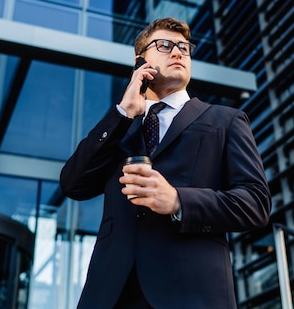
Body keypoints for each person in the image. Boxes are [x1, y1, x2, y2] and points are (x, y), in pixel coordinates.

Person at [60, 17, 271, 309]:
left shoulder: (225, 120)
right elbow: (74, 184)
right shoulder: (121, 126)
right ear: (139, 62)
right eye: (164, 45)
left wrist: (178, 201)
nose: (178, 52)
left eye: (184, 47)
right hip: (111, 294)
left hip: (191, 292)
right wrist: (123, 113)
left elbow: (255, 204)